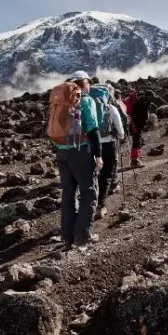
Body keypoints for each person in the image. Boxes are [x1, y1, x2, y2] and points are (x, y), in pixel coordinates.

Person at [56, 70, 103, 249]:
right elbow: (93, 129)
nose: (90, 85)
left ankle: (67, 238)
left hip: (62, 152)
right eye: (88, 82)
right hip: (81, 151)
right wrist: (98, 156)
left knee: (68, 194)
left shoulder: (60, 102)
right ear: (83, 83)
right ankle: (82, 236)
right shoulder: (85, 100)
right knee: (89, 192)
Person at [96, 89, 125, 219]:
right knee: (106, 175)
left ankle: (87, 203)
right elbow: (120, 128)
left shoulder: (86, 107)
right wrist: (121, 136)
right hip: (109, 145)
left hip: (91, 145)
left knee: (94, 174)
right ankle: (100, 206)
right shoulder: (111, 108)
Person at [124, 90, 154, 168]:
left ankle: (135, 159)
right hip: (136, 125)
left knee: (139, 141)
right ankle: (134, 161)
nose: (152, 99)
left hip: (136, 125)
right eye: (151, 97)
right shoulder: (142, 103)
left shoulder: (141, 102)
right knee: (137, 141)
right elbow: (141, 115)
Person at [109, 89, 130, 194]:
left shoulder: (95, 103)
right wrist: (123, 134)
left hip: (96, 138)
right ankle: (113, 184)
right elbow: (123, 119)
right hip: (112, 137)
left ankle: (102, 184)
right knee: (114, 160)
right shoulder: (115, 105)